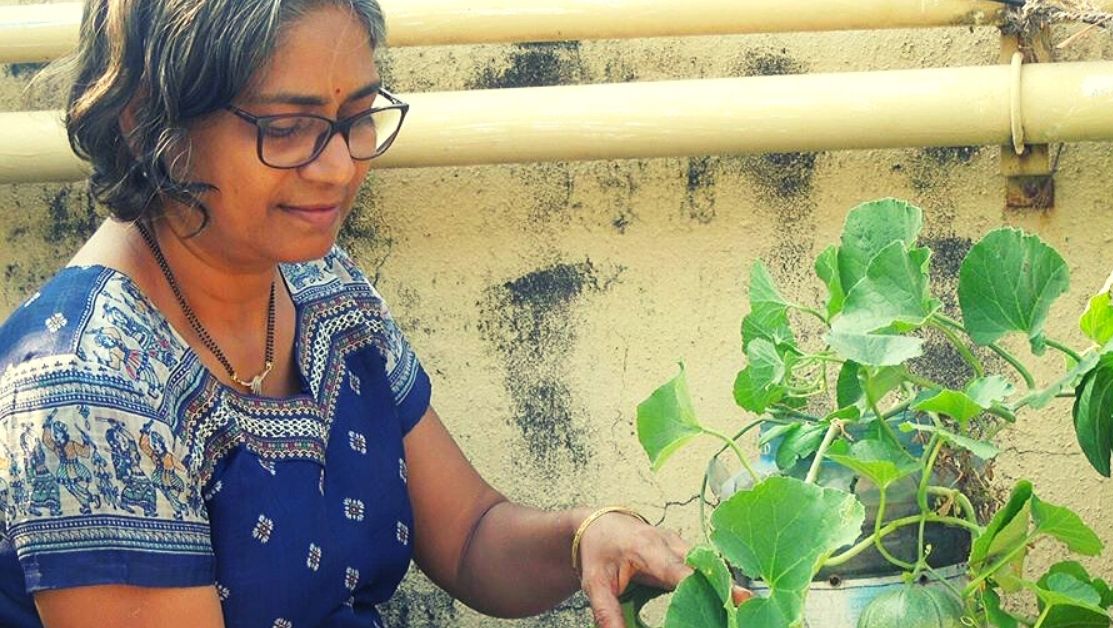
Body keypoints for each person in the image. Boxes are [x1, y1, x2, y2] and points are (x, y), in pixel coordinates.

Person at [0, 1, 709, 626]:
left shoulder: (320, 288)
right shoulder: (87, 389)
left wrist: (588, 537)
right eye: (287, 127)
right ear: (145, 121)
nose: (340, 166)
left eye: (358, 117)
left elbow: (469, 534)